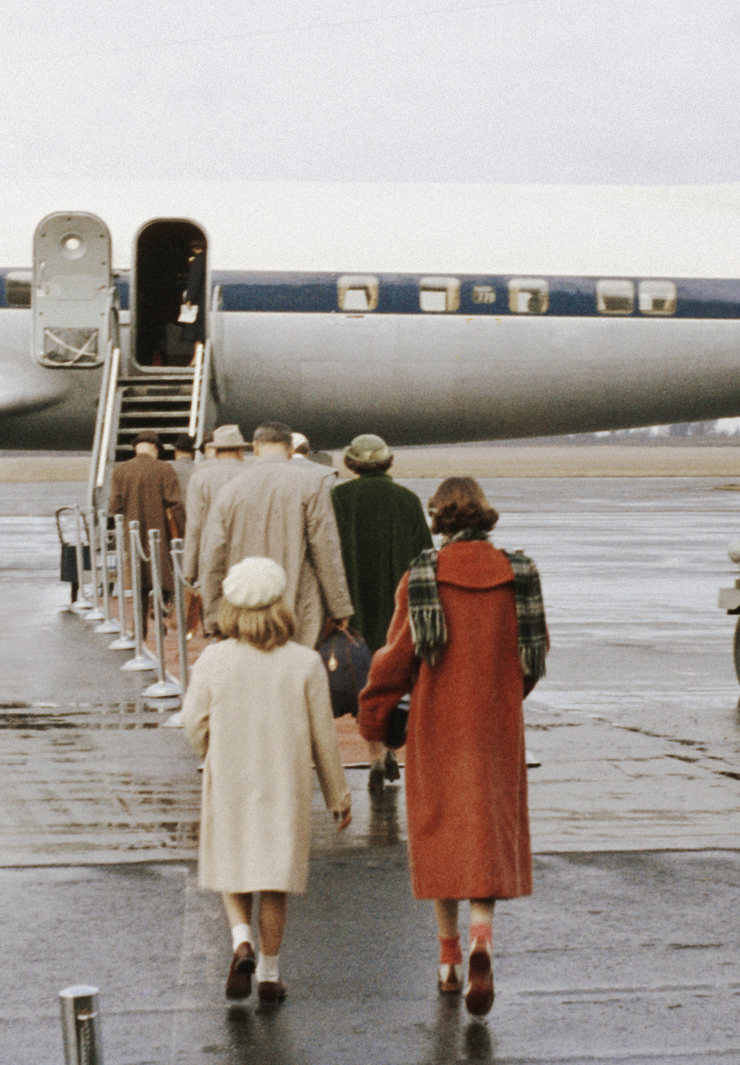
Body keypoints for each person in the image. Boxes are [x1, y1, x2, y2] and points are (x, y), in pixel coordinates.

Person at [357, 477, 549, 1018]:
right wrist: (506, 694)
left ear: (439, 519)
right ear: (485, 516)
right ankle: (481, 937)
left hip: (437, 722)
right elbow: (534, 655)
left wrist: (375, 712)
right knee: (485, 830)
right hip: (496, 721)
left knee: (439, 829)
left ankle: (447, 961)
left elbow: (396, 658)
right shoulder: (522, 574)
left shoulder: (422, 575)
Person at [182, 557, 353, 1004]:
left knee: (233, 867)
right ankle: (271, 975)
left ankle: (241, 940)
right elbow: (324, 736)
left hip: (232, 776)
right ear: (281, 606)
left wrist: (210, 753)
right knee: (275, 879)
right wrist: (338, 794)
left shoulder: (214, 660)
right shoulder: (304, 662)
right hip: (284, 782)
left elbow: (193, 722)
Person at [329, 434, 434, 790]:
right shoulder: (407, 500)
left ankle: (374, 755)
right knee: (396, 678)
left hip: (353, 605)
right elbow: (426, 557)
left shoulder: (338, 498)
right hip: (398, 608)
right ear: (388, 461)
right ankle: (391, 749)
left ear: (350, 462)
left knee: (363, 682)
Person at [198, 422, 352, 649]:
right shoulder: (311, 485)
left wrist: (213, 616)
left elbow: (213, 556)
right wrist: (339, 607)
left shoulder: (230, 491)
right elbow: (325, 549)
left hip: (245, 607)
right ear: (290, 450)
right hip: (299, 603)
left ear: (255, 447)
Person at [108, 429, 185, 636]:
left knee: (139, 581)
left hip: (133, 535)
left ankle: (139, 627)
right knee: (163, 578)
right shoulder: (164, 469)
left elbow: (114, 506)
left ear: (136, 448)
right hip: (159, 534)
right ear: (153, 447)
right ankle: (159, 617)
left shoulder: (120, 470)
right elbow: (175, 503)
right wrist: (183, 531)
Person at [181, 424, 251, 629]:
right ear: (239, 450)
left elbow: (193, 525)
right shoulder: (251, 473)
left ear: (215, 450)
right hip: (246, 548)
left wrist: (189, 568)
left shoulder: (199, 477)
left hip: (209, 550)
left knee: (215, 605)